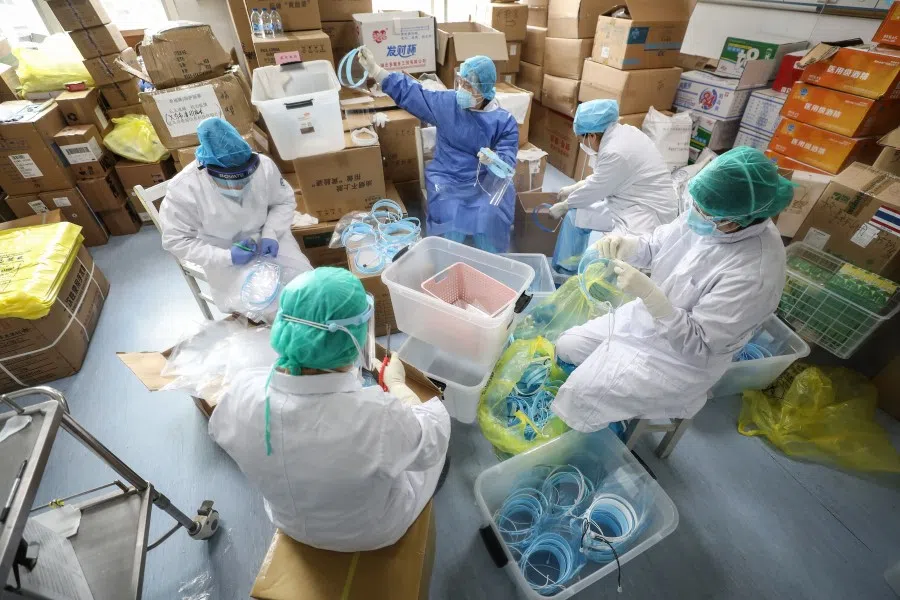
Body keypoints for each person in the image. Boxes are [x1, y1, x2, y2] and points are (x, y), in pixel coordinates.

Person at [551, 147, 794, 431]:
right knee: (566, 346)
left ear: (739, 220)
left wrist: (652, 297)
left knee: (578, 399)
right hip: (644, 320)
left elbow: (699, 346)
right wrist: (629, 246)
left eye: (705, 212)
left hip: (677, 362)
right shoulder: (711, 215)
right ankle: (602, 399)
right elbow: (659, 243)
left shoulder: (755, 273)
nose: (696, 214)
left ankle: (594, 429)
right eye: (696, 205)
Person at [209, 268, 451, 552]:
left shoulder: (241, 391)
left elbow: (220, 431)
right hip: (370, 532)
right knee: (434, 450)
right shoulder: (377, 416)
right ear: (352, 337)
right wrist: (397, 386)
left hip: (288, 521)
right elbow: (432, 442)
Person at [358, 48, 519, 253]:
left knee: (490, 214)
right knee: (451, 212)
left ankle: (492, 261)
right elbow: (413, 94)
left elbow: (507, 160)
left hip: (484, 182)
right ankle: (446, 257)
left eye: (468, 86)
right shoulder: (448, 103)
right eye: (461, 82)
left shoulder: (504, 121)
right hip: (447, 177)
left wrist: (494, 160)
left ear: (484, 89)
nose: (461, 89)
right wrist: (376, 70)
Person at [159, 117, 312, 317]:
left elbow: (283, 202)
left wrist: (271, 232)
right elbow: (176, 240)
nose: (239, 185)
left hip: (269, 239)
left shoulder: (264, 166)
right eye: (230, 179)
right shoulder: (184, 188)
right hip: (223, 252)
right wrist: (227, 256)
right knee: (263, 303)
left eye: (245, 175)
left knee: (307, 285)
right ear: (207, 168)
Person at [548, 100, 677, 274]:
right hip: (623, 200)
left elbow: (597, 188)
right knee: (575, 216)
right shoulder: (619, 135)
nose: (582, 144)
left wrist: (565, 205)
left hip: (645, 213)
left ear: (592, 136)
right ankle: (566, 271)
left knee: (604, 255)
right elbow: (607, 177)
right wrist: (575, 188)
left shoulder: (615, 151)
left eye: (581, 139)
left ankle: (593, 285)